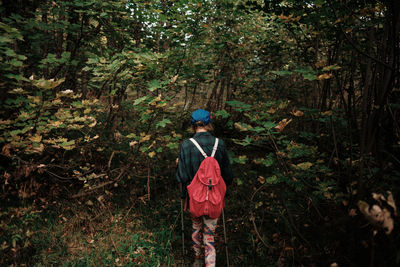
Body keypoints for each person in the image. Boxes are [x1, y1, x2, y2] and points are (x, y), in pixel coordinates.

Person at [176, 109, 233, 267]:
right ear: (209, 123)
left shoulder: (186, 145)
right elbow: (228, 175)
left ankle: (197, 258)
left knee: (196, 227)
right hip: (214, 199)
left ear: (193, 125)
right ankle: (210, 263)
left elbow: (181, 176)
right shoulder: (219, 144)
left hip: (194, 199)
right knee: (209, 234)